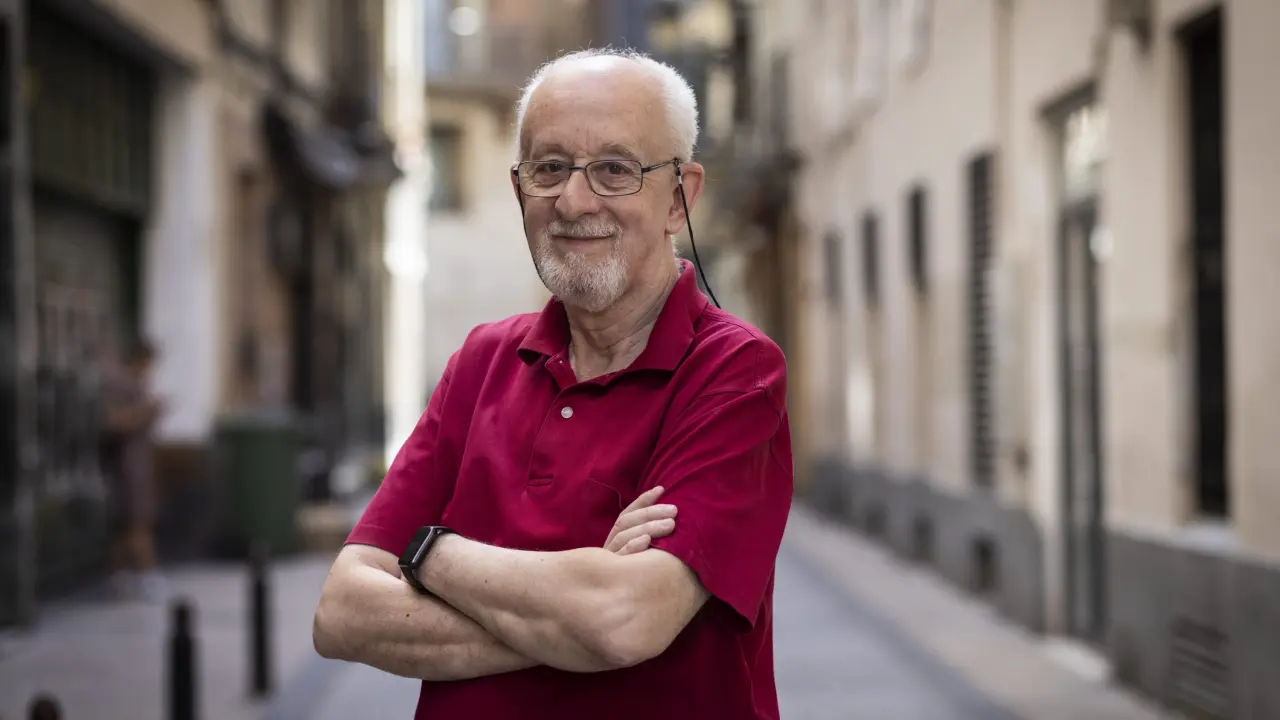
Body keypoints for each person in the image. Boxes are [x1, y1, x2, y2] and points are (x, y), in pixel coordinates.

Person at [313, 48, 793, 719]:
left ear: (680, 197)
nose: (573, 199)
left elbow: (623, 620)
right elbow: (341, 613)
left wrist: (430, 554)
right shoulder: (481, 362)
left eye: (615, 170)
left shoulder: (736, 372)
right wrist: (574, 612)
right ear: (520, 190)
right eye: (549, 168)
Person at [100, 336, 166, 600]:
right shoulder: (120, 384)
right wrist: (147, 411)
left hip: (138, 462)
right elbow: (115, 422)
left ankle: (119, 575)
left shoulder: (137, 384)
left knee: (129, 525)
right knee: (137, 521)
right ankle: (146, 573)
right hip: (127, 465)